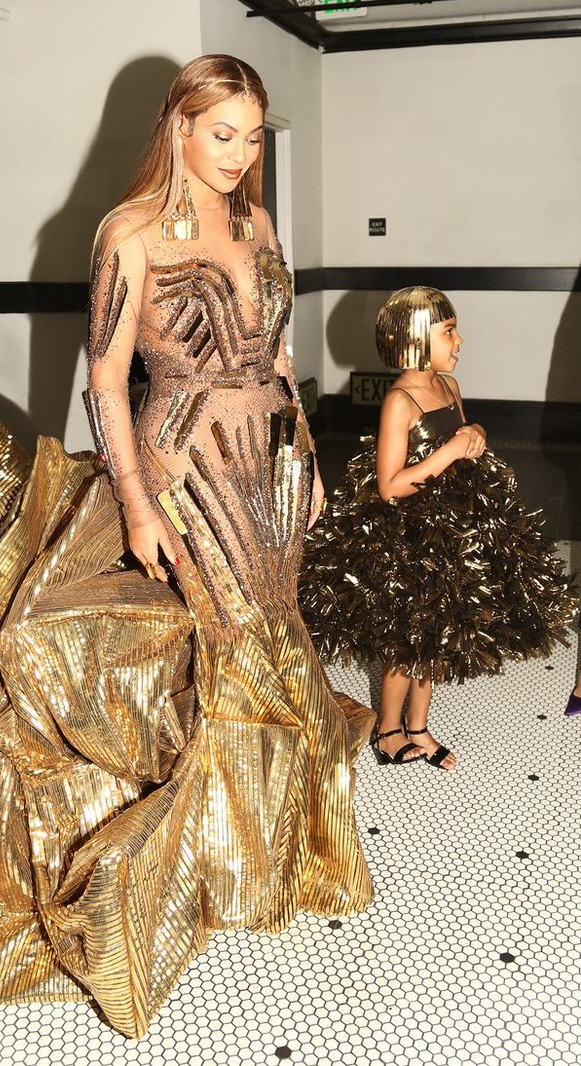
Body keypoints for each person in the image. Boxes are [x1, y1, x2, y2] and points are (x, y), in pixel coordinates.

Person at [85, 54, 374, 926]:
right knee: (229, 644)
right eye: (221, 134)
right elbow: (105, 380)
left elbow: (279, 355)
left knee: (278, 630)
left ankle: (282, 832)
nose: (239, 154)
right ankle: (228, 861)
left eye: (251, 138)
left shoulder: (256, 221)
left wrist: (308, 455)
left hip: (273, 454)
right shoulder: (128, 230)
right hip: (187, 458)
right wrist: (136, 503)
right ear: (178, 126)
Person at [299, 285, 578, 769]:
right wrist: (449, 451)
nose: (459, 340)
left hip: (451, 526)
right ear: (414, 340)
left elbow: (462, 433)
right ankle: (389, 731)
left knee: (438, 633)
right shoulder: (400, 401)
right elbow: (390, 485)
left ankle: (419, 726)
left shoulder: (448, 387)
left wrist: (475, 434)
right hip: (409, 535)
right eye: (449, 331)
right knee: (407, 640)